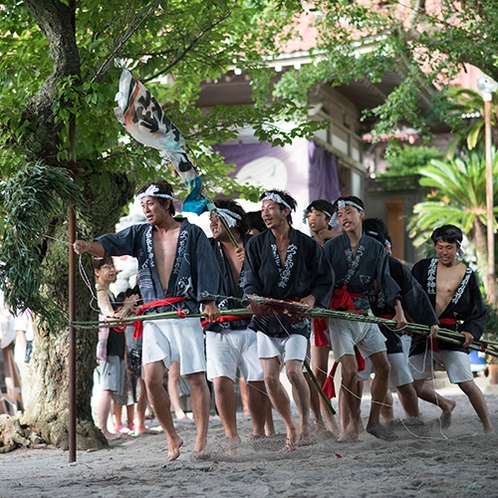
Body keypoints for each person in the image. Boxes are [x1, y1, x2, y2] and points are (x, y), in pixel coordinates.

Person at [74, 180, 221, 460]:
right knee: (151, 379)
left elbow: (206, 266)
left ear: (167, 203)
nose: (146, 209)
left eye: (151, 203)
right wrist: (87, 247)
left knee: (194, 376)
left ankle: (201, 438)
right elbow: (110, 244)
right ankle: (172, 436)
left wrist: (209, 300)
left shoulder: (192, 233)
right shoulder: (140, 234)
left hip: (184, 311)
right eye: (143, 205)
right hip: (154, 314)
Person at [244, 189, 333, 450]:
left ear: (286, 211)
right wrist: (253, 296)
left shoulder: (306, 245)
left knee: (294, 371)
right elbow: (249, 276)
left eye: (271, 208)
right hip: (266, 317)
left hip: (295, 316)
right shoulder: (256, 244)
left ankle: (305, 421)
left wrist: (312, 299)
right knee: (270, 378)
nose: (265, 213)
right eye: (263, 209)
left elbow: (324, 278)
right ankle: (290, 427)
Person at [323, 196, 407, 441]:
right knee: (349, 372)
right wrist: (314, 302)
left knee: (384, 367)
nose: (344, 218)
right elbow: (321, 279)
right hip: (339, 315)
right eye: (339, 216)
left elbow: (385, 279)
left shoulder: (375, 247)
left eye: (348, 212)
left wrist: (398, 309)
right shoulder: (331, 248)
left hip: (366, 314)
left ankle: (373, 422)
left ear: (361, 214)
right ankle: (353, 423)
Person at [409, 225, 494, 434]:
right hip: (423, 332)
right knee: (412, 384)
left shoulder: (467, 275)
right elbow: (408, 295)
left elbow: (478, 309)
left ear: (457, 247)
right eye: (439, 247)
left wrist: (470, 332)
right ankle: (445, 404)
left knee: (467, 385)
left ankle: (487, 426)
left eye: (448, 247)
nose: (443, 252)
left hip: (451, 334)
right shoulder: (422, 267)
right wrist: (409, 319)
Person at [204, 199, 271, 450]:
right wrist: (206, 301)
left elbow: (273, 276)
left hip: (254, 324)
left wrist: (251, 264)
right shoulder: (207, 248)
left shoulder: (257, 244)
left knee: (256, 380)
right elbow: (198, 278)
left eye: (216, 219)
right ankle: (231, 435)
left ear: (233, 221)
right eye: (210, 220)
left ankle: (258, 432)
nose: (211, 224)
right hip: (219, 324)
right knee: (221, 381)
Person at [362, 218, 439, 423]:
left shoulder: (393, 265)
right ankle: (355, 426)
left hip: (392, 329)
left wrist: (428, 320)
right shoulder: (350, 263)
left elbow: (415, 292)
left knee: (402, 380)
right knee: (354, 378)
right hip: (360, 328)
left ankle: (414, 421)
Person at [304, 199, 339, 433]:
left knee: (350, 366)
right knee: (317, 371)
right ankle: (321, 419)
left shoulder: (340, 241)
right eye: (309, 214)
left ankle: (347, 419)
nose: (312, 218)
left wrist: (332, 236)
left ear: (328, 218)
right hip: (315, 312)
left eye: (317, 214)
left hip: (340, 309)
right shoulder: (304, 244)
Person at [93, 257, 138, 440]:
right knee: (107, 388)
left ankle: (108, 428)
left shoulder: (108, 292)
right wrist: (127, 307)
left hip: (117, 344)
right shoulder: (101, 293)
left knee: (112, 389)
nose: (112, 270)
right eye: (107, 267)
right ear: (97, 271)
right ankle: (103, 430)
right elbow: (111, 318)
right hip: (109, 345)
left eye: (112, 266)